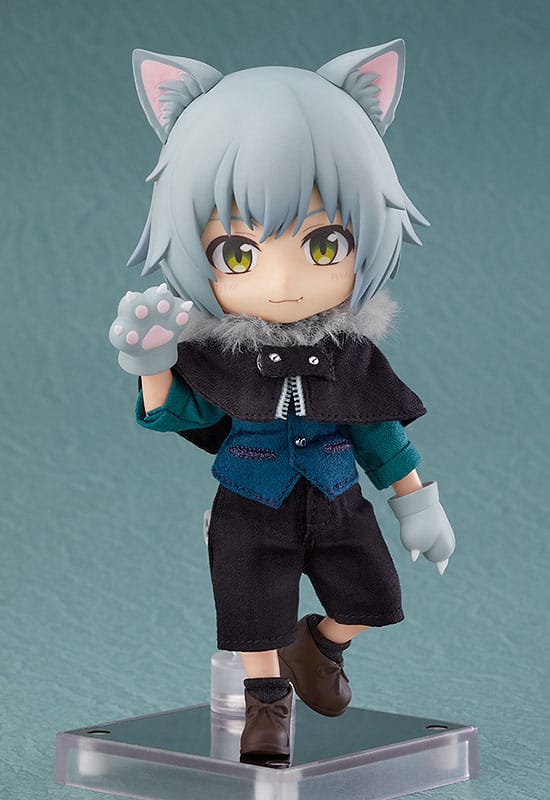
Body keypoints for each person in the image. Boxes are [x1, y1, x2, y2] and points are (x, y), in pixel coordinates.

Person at [109, 41, 456, 761]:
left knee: (374, 597)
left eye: (324, 244)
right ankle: (264, 706)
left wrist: (418, 504)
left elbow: (380, 432)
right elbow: (181, 413)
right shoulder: (221, 357)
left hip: (337, 497)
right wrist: (149, 364)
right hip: (248, 501)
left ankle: (321, 645)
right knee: (251, 611)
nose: (284, 280)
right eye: (238, 253)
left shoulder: (351, 355)